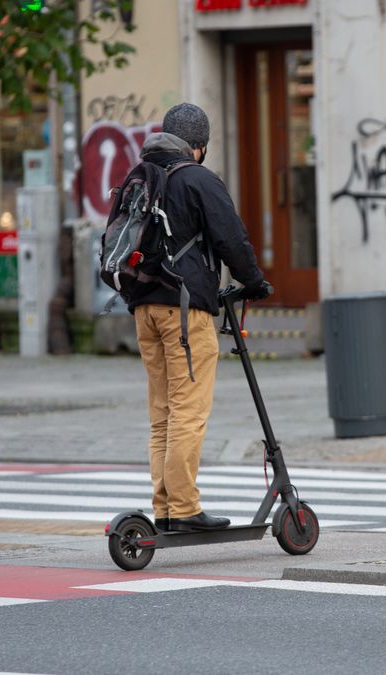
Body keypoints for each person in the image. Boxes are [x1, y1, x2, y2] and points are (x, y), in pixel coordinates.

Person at [130, 103, 273, 532]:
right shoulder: (197, 179)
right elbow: (231, 238)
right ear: (200, 146)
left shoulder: (140, 176)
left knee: (163, 413)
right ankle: (186, 508)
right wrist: (255, 282)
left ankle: (166, 508)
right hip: (184, 310)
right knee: (189, 411)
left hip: (144, 307)